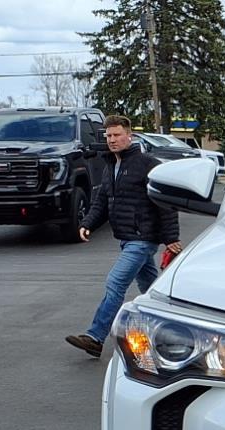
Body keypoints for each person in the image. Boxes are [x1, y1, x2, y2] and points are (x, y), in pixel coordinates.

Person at [65, 114, 183, 358]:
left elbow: (165, 202)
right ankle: (177, 329)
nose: (112, 140)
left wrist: (171, 238)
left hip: (142, 238)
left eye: (117, 135)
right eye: (108, 136)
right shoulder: (110, 166)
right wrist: (87, 223)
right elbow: (101, 201)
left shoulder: (147, 164)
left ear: (130, 136)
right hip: (127, 237)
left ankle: (95, 337)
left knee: (115, 282)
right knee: (151, 287)